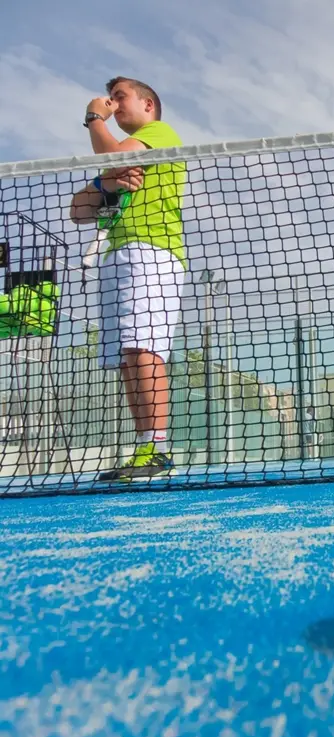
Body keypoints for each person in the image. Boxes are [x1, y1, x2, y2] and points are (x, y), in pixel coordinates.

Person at [70, 77, 186, 481]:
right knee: (127, 358)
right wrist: (108, 183)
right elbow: (78, 210)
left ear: (148, 104)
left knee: (143, 349)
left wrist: (93, 117)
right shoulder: (121, 156)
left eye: (121, 97)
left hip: (150, 252)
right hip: (117, 256)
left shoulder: (158, 132)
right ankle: (145, 448)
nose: (113, 105)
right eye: (110, 99)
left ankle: (157, 448)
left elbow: (116, 159)